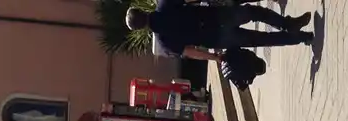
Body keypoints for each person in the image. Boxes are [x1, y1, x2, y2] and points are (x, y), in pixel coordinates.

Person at [127, 1, 313, 60]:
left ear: (140, 29)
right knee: (254, 12)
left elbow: (192, 52)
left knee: (261, 39)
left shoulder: (163, 41)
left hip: (217, 38)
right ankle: (289, 24)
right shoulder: (164, 4)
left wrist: (215, 58)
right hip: (217, 15)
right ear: (142, 10)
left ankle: (303, 37)